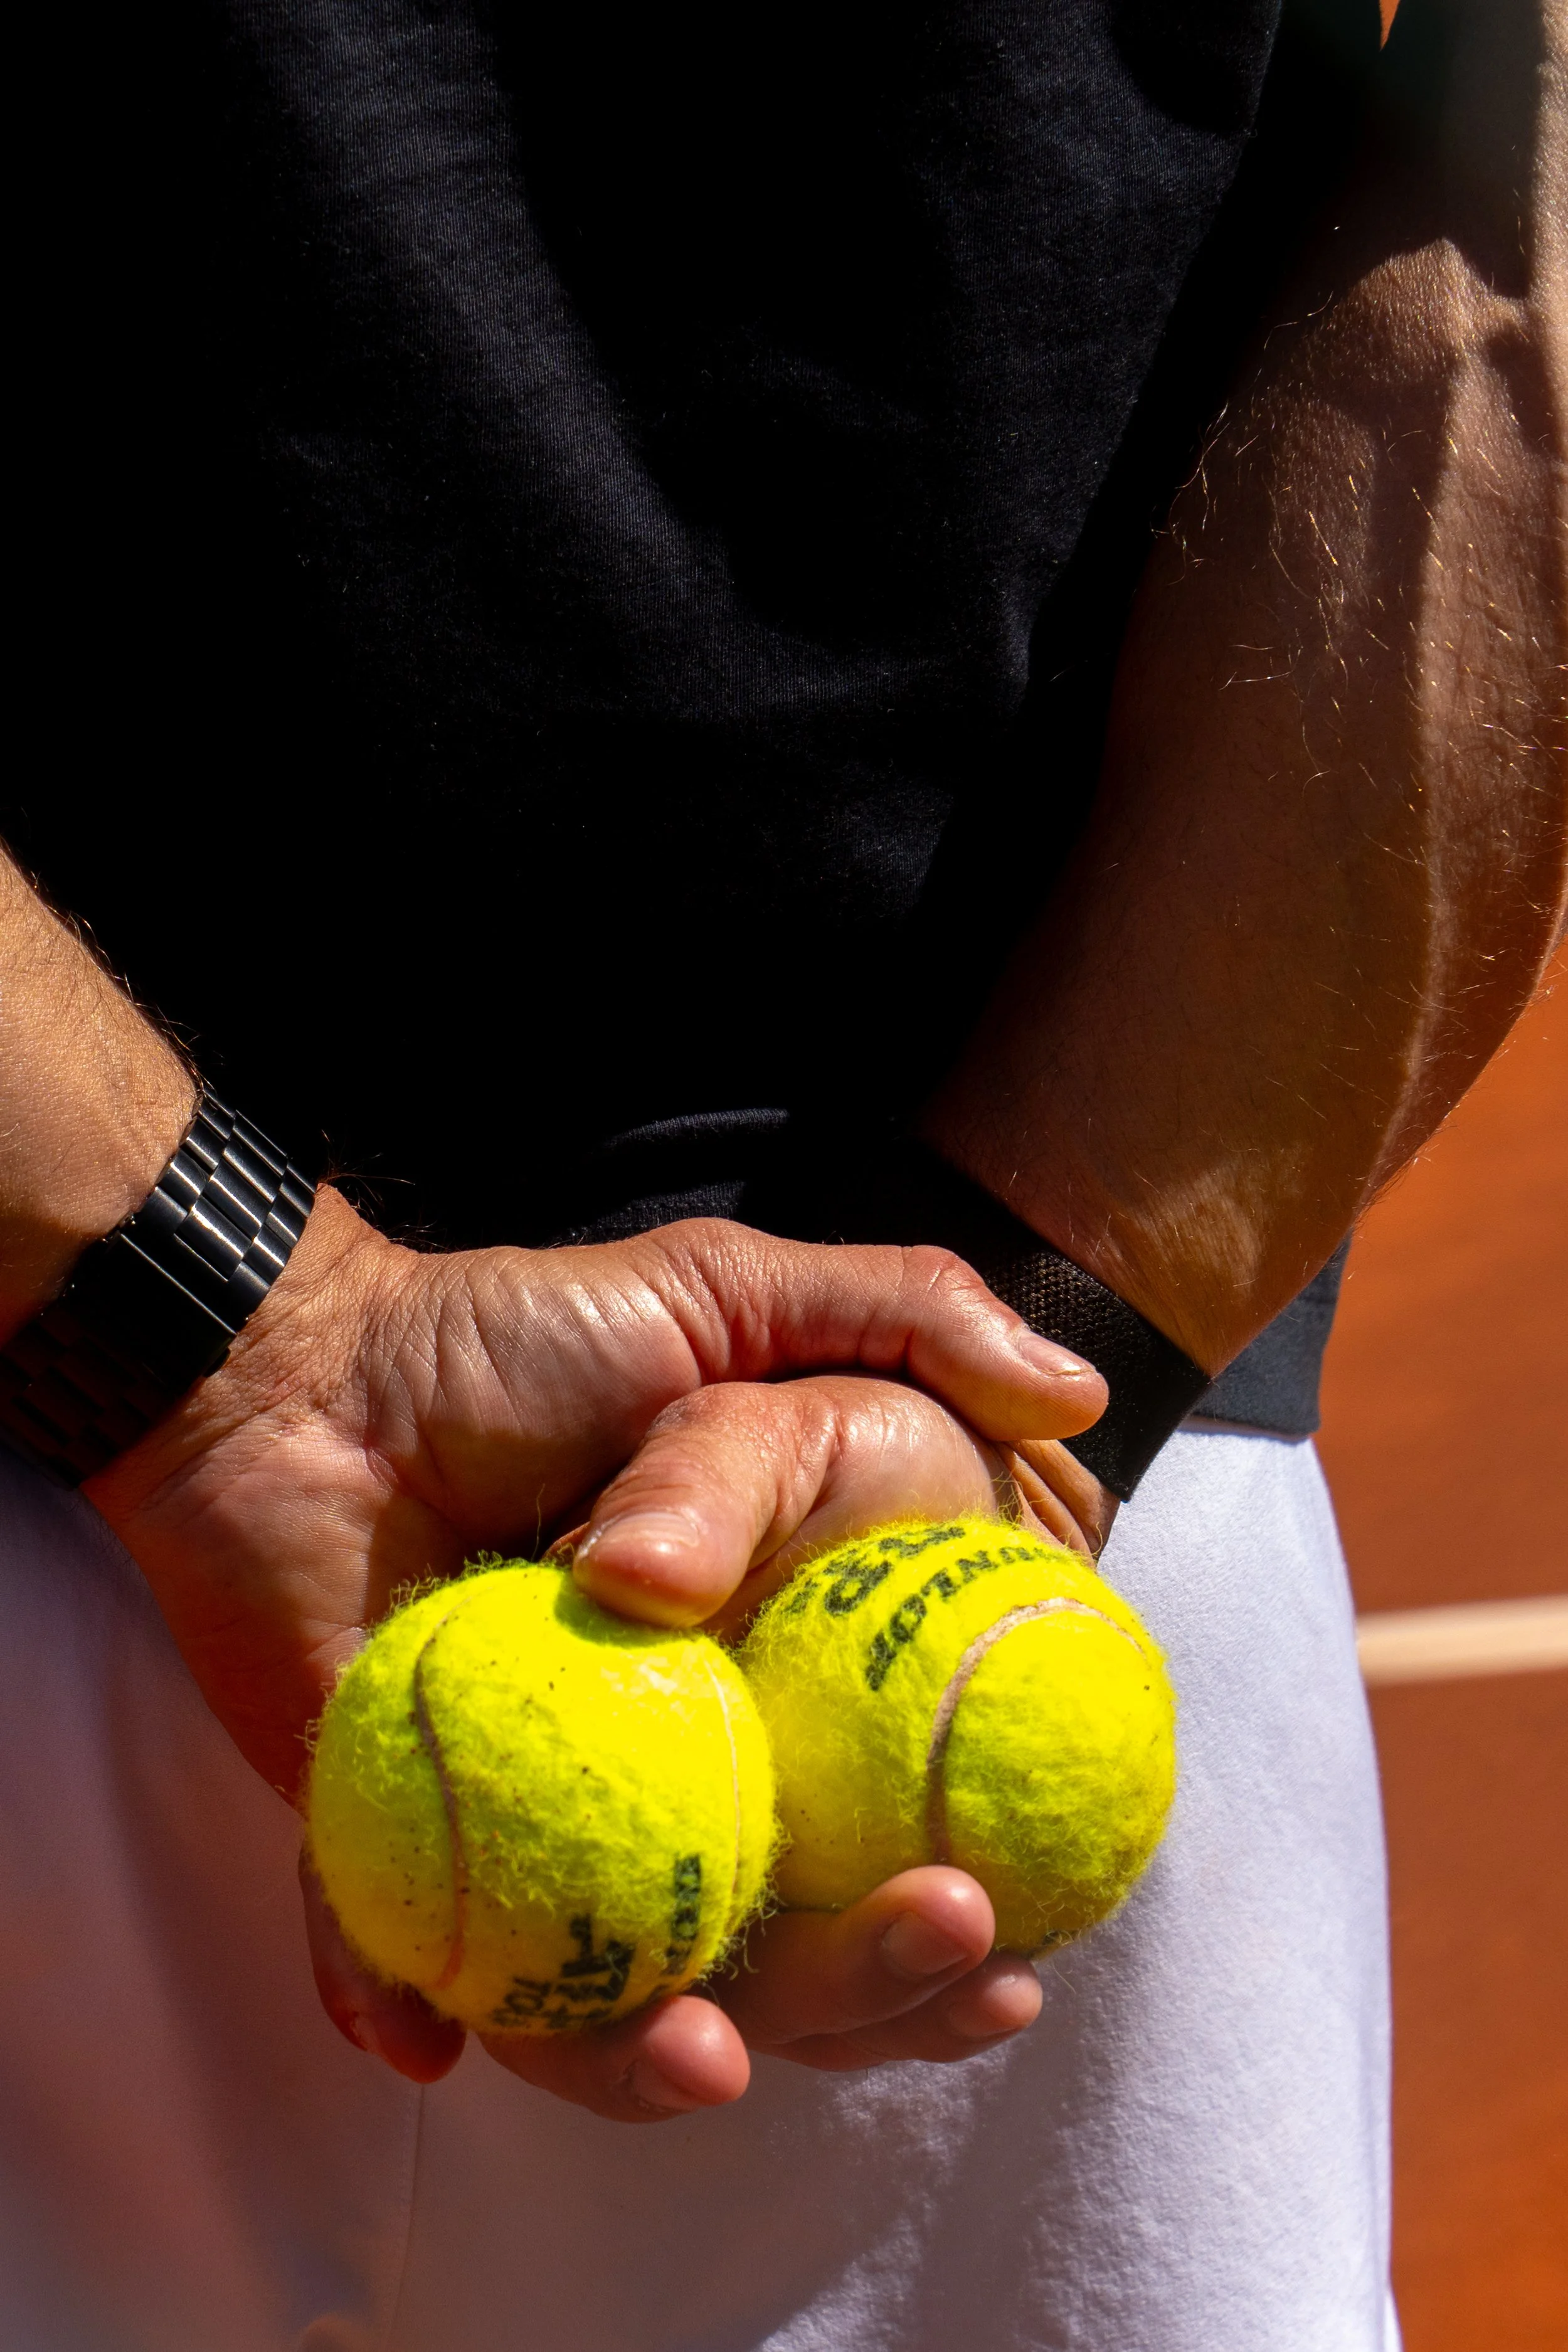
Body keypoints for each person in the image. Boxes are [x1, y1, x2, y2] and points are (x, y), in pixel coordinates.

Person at [2, 0, 1563, 2343]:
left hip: (121, 1377)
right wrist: (1038, 1322)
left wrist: (214, 1341)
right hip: (1012, 1505)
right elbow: (1522, 230)